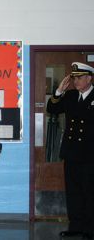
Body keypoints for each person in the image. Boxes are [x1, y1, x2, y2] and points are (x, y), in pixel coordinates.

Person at [46, 62, 94, 239]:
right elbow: (52, 109)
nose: (76, 81)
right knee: (73, 192)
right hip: (72, 153)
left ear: (89, 78)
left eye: (80, 78)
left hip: (90, 154)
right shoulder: (71, 96)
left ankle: (89, 229)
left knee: (89, 192)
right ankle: (76, 226)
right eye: (74, 78)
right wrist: (59, 91)